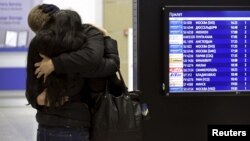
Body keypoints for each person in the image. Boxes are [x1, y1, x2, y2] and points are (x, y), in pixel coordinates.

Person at [26, 4, 121, 141]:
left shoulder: (38, 45)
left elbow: (31, 86)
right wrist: (106, 39)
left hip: (47, 125)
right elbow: (110, 65)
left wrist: (54, 65)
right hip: (75, 124)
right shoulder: (85, 38)